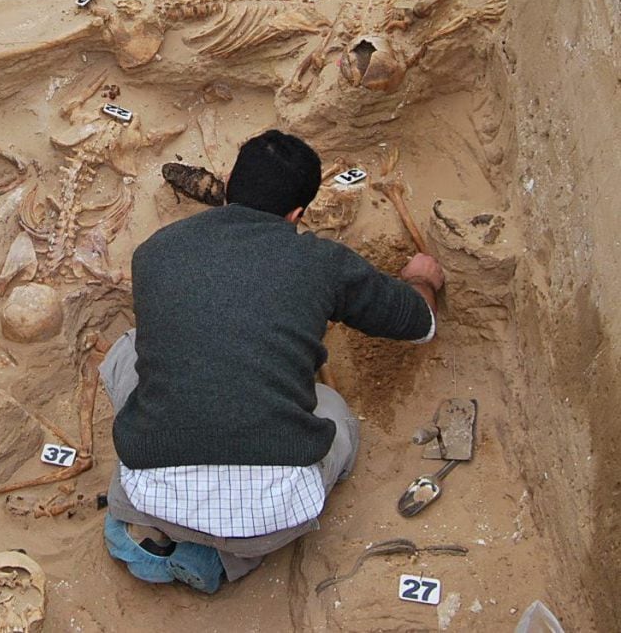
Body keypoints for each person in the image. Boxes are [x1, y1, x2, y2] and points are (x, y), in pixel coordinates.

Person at [101, 129, 444, 592]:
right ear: (297, 213)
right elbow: (420, 323)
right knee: (332, 410)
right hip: (275, 512)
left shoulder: (155, 251)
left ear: (228, 183)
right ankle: (226, 560)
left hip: (153, 492)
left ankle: (153, 535)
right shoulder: (321, 261)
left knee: (132, 348)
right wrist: (422, 280)